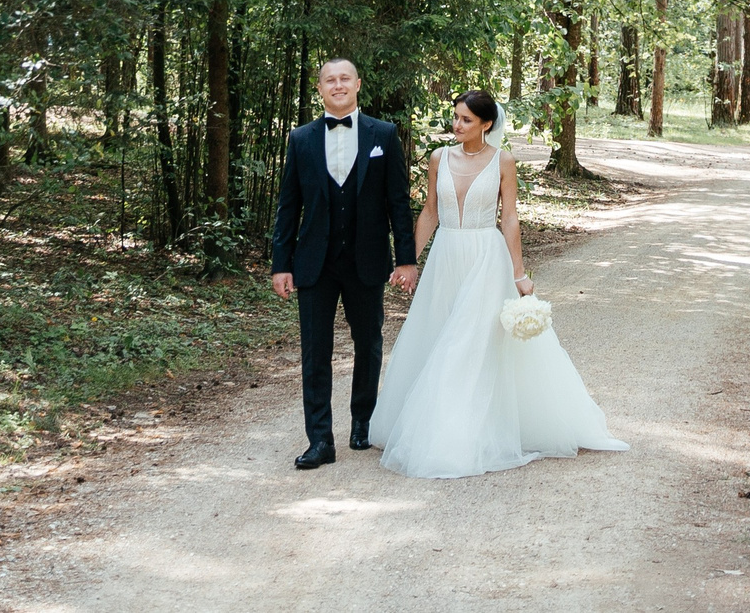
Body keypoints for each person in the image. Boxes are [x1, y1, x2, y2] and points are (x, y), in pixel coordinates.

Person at [369, 89, 628, 478]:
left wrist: (518, 274)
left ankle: (454, 437)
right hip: (446, 258)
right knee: (437, 333)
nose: (457, 125)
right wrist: (408, 261)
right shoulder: (439, 158)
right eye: (455, 117)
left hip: (486, 260)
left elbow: (509, 219)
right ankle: (430, 425)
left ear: (486, 124)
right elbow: (430, 212)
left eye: (466, 120)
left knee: (466, 343)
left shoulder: (502, 161)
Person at [269, 57, 418, 469]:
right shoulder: (300, 139)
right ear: (320, 89)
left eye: (344, 79)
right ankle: (320, 440)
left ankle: (362, 422)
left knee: (368, 343)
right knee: (315, 351)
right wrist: (281, 264)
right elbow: (288, 207)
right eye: (330, 80)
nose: (338, 85)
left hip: (366, 259)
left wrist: (406, 259)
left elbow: (398, 202)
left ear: (358, 84)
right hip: (313, 262)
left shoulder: (383, 134)